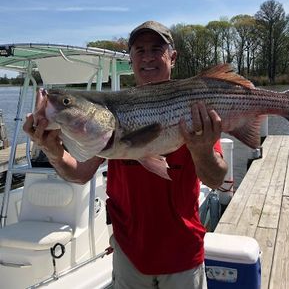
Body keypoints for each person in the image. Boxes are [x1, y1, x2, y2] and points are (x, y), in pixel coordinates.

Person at [23, 20, 228, 289]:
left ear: (173, 57)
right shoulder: (112, 118)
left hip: (183, 254)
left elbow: (216, 179)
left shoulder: (193, 102)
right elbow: (80, 174)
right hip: (129, 255)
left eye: (157, 49)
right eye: (139, 50)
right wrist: (53, 150)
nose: (148, 57)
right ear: (130, 59)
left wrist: (201, 150)